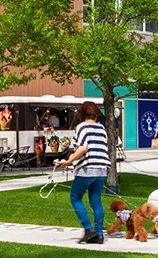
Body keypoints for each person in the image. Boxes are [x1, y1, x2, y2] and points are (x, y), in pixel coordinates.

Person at [55, 101, 110, 245]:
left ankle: (88, 229)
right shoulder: (101, 128)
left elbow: (83, 148)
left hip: (87, 168)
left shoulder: (82, 127)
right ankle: (99, 234)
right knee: (96, 201)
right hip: (101, 168)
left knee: (75, 198)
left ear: (82, 114)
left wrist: (68, 161)